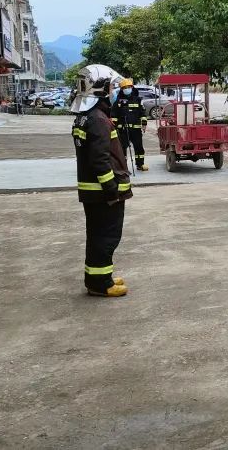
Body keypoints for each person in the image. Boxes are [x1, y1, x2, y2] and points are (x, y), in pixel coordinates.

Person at [70, 64, 133, 297]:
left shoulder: (86, 118)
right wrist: (112, 190)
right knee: (106, 237)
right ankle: (101, 284)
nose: (113, 91)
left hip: (94, 193)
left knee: (97, 236)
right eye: (110, 87)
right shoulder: (97, 119)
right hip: (103, 194)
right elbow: (100, 160)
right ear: (99, 89)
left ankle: (99, 277)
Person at [111, 78, 148, 172]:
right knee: (122, 149)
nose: (127, 89)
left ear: (132, 87)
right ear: (122, 89)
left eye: (129, 87)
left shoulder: (138, 100)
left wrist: (144, 123)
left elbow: (142, 113)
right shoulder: (118, 102)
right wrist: (115, 127)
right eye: (124, 87)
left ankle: (140, 164)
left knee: (139, 148)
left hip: (136, 130)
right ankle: (123, 167)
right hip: (123, 130)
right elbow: (114, 115)